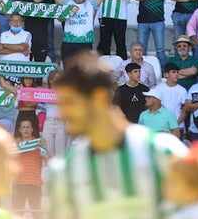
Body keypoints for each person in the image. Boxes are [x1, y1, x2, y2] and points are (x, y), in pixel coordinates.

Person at [47, 53, 187, 219]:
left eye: (69, 103)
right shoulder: (65, 171)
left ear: (99, 98)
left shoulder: (163, 153)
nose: (62, 113)